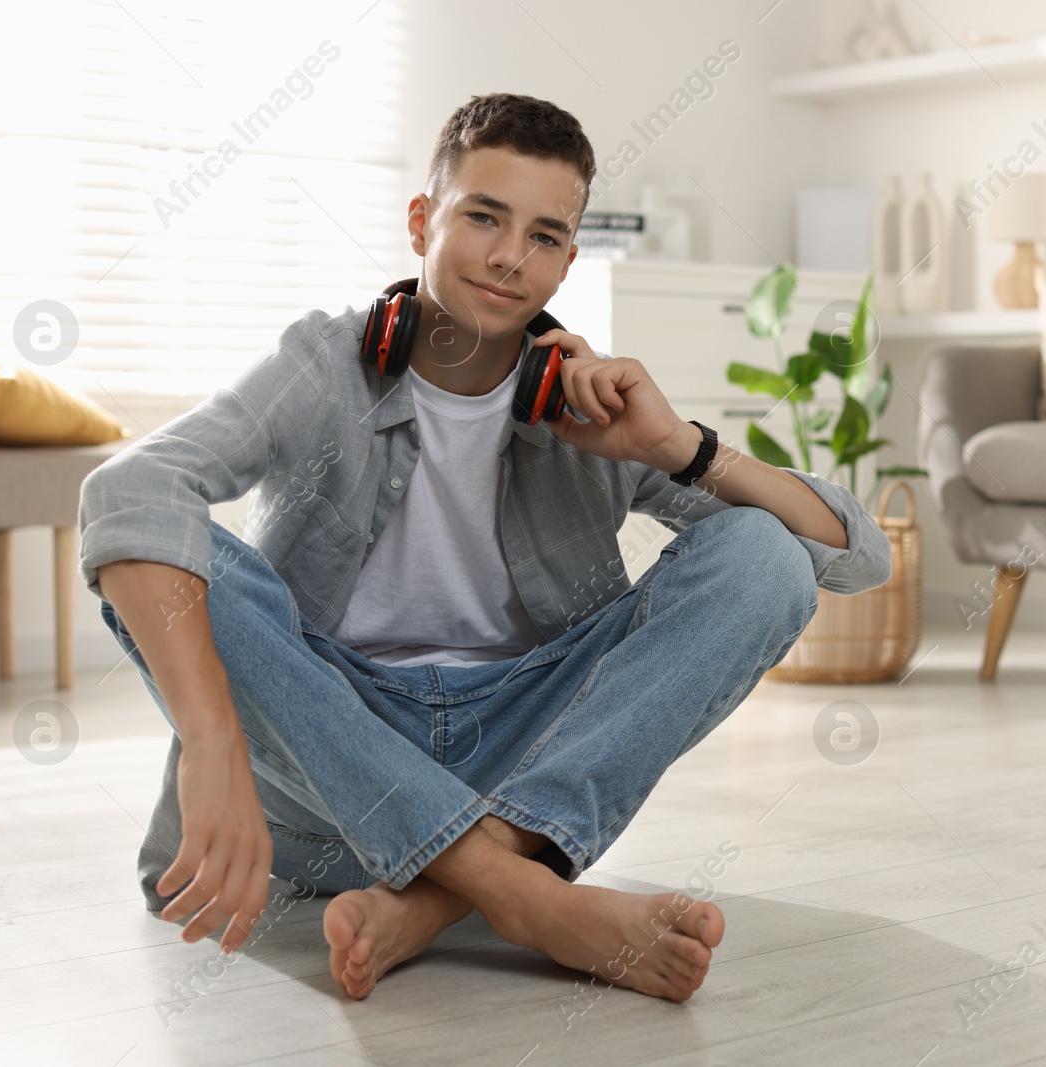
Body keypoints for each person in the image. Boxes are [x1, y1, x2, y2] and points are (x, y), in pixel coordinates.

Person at [79, 92, 892, 1005]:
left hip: (516, 763)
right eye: (483, 217)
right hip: (319, 771)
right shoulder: (322, 363)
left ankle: (439, 896)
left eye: (545, 235)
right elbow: (127, 490)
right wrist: (213, 744)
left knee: (763, 552)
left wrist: (677, 450)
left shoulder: (595, 407)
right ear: (424, 219)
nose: (511, 256)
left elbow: (856, 557)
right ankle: (526, 898)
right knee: (189, 558)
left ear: (568, 261)